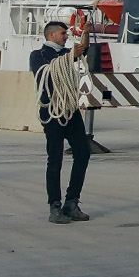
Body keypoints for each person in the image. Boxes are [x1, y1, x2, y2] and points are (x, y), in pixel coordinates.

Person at [30, 21, 91, 224]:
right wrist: (69, 57)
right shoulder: (38, 55)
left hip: (70, 110)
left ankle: (72, 202)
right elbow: (47, 73)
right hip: (52, 112)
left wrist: (86, 33)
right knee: (54, 159)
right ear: (52, 35)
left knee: (83, 152)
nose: (66, 36)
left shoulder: (68, 52)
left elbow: (83, 52)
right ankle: (54, 206)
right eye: (63, 33)